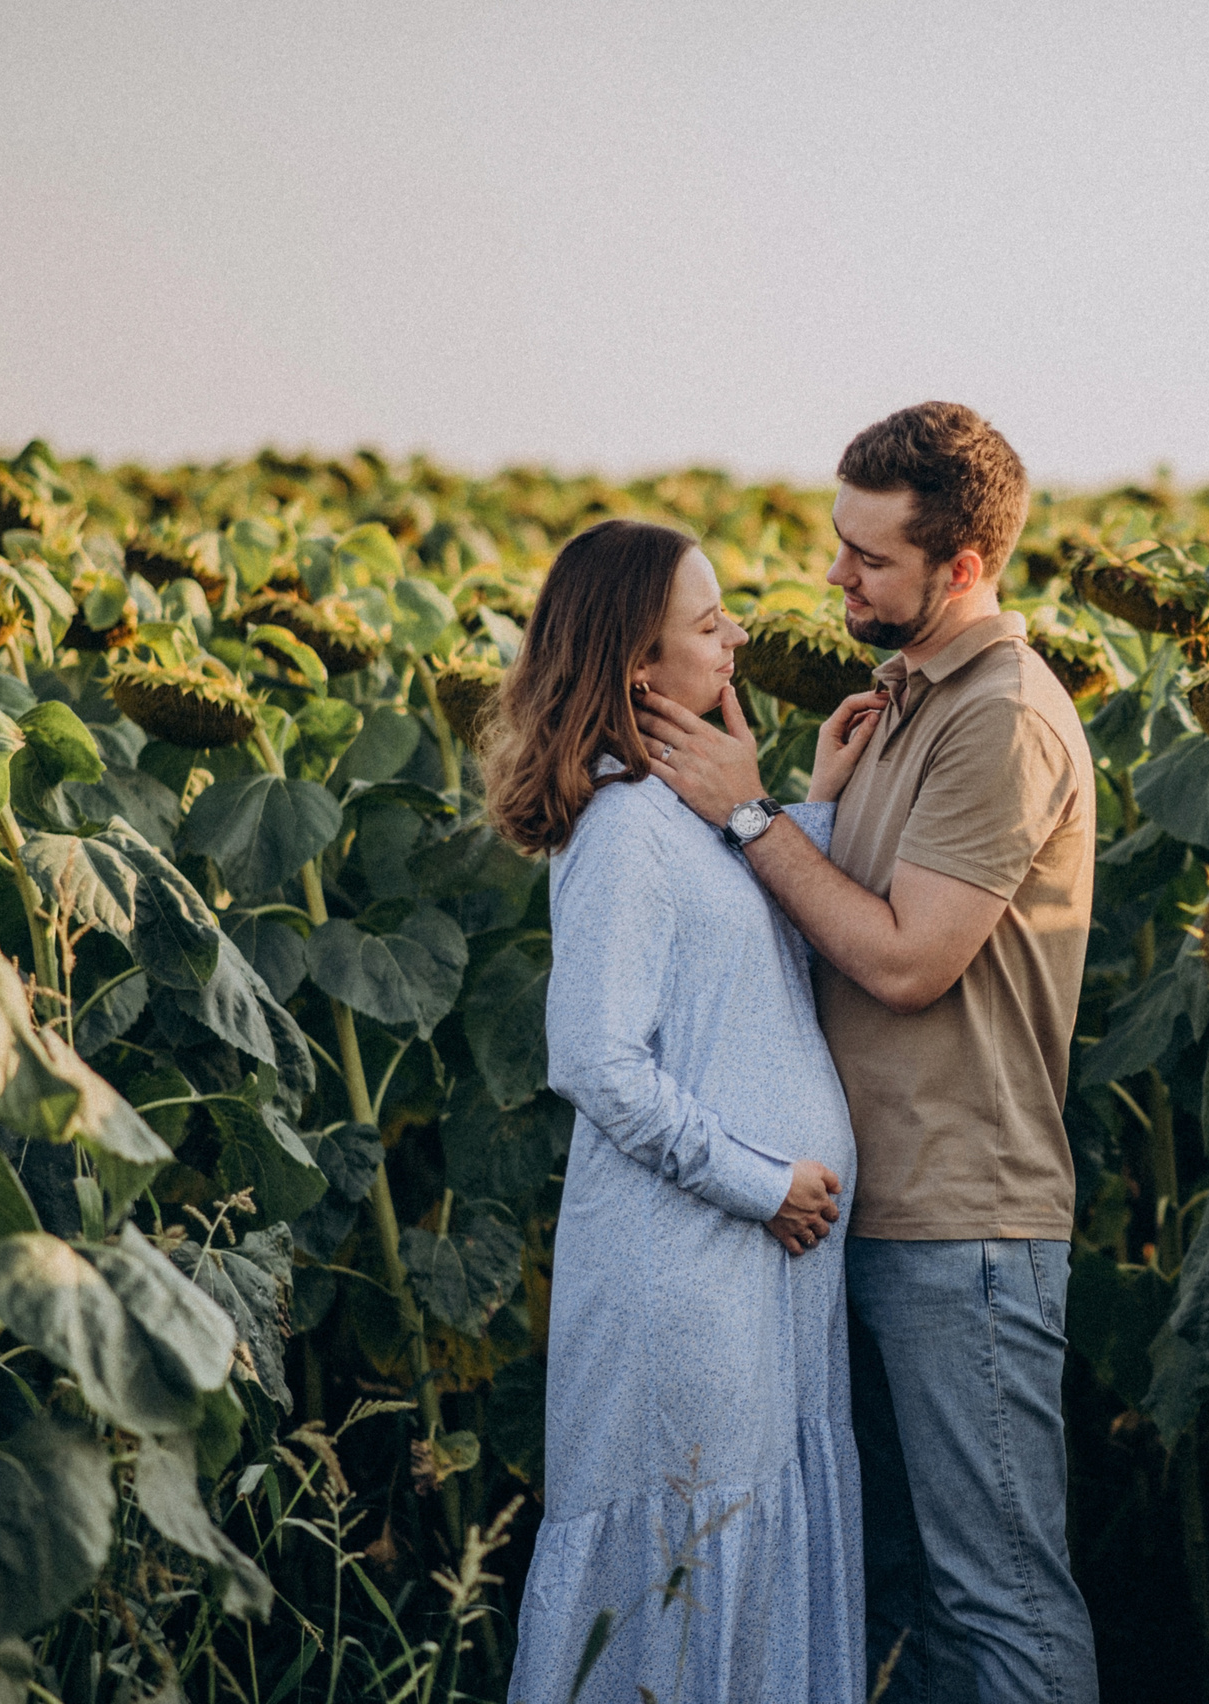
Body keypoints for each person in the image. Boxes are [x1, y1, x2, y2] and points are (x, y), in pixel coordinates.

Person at [642, 401, 1101, 1704]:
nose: (835, 575)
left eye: (870, 558)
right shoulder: (905, 698)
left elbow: (906, 960)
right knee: (925, 1592)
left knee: (1000, 1598)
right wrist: (814, 802)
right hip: (877, 1208)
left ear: (962, 568)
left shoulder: (999, 717)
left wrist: (741, 812)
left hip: (966, 1221)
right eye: (837, 542)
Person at [487, 518, 885, 1704]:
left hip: (763, 1269)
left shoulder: (686, 814)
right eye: (708, 627)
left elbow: (751, 967)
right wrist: (760, 1183)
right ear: (637, 671)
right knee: (688, 1556)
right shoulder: (620, 831)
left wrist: (799, 797)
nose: (739, 637)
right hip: (695, 1260)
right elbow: (596, 1064)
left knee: (746, 1545)